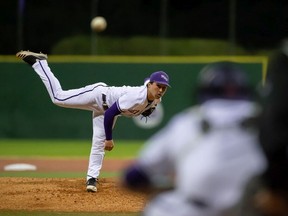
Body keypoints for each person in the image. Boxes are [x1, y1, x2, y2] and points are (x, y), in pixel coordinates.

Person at [122, 61, 267, 216]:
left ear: (203, 92)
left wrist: (175, 187)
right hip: (254, 209)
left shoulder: (189, 120)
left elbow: (134, 176)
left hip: (198, 210)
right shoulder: (266, 120)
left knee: (158, 207)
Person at [16, 50, 170, 192]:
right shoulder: (136, 97)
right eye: (158, 86)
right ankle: (40, 63)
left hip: (104, 109)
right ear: (151, 85)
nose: (161, 90)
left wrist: (150, 99)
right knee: (58, 98)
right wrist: (109, 139)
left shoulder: (157, 98)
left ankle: (92, 179)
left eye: (164, 87)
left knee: (98, 144)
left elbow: (145, 82)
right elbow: (110, 113)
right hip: (98, 96)